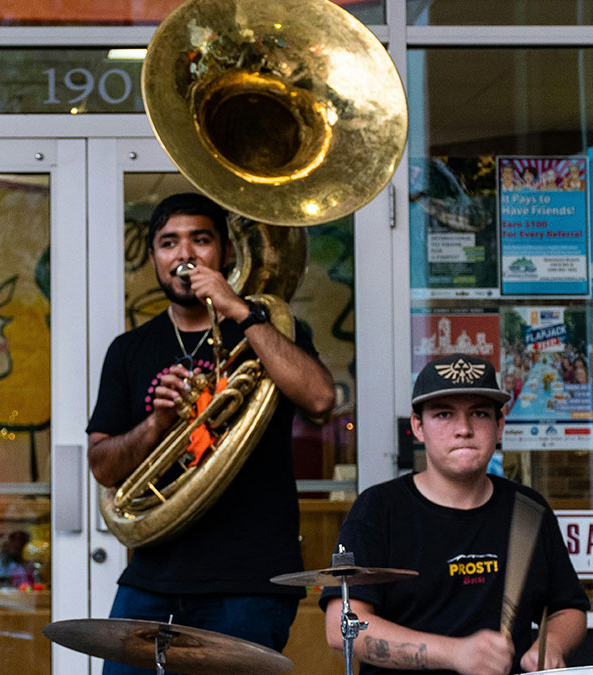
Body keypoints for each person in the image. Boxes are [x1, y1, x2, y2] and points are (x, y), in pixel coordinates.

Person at [86, 193, 335, 668]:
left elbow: (321, 399)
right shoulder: (129, 350)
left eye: (200, 240)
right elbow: (103, 467)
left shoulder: (270, 329)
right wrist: (159, 423)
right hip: (152, 580)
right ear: (156, 259)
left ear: (223, 253)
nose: (185, 255)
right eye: (168, 243)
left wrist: (239, 311)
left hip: (249, 581)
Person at [320, 354, 588, 674]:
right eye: (444, 414)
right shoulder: (378, 509)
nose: (463, 429)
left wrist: (551, 646)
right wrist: (454, 654)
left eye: (479, 413)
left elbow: (568, 609)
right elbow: (340, 627)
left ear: (499, 425)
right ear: (418, 426)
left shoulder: (528, 508)